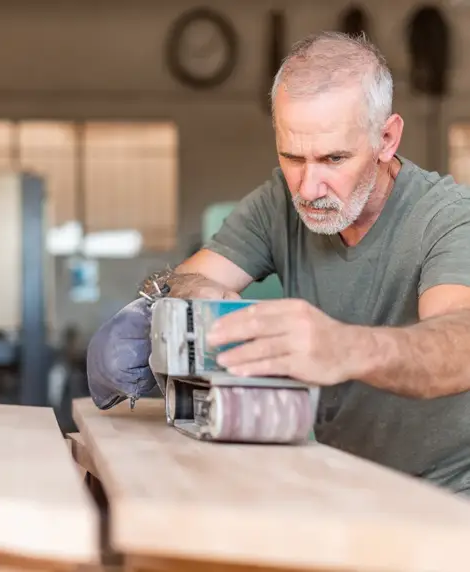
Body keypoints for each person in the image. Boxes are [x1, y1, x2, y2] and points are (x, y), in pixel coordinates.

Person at [86, 31, 470, 496]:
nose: (308, 188)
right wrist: (191, 298)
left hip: (451, 500)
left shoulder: (448, 218)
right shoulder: (278, 204)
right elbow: (195, 273)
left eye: (334, 158)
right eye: (292, 157)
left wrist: (344, 348)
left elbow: (459, 343)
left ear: (386, 138)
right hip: (351, 485)